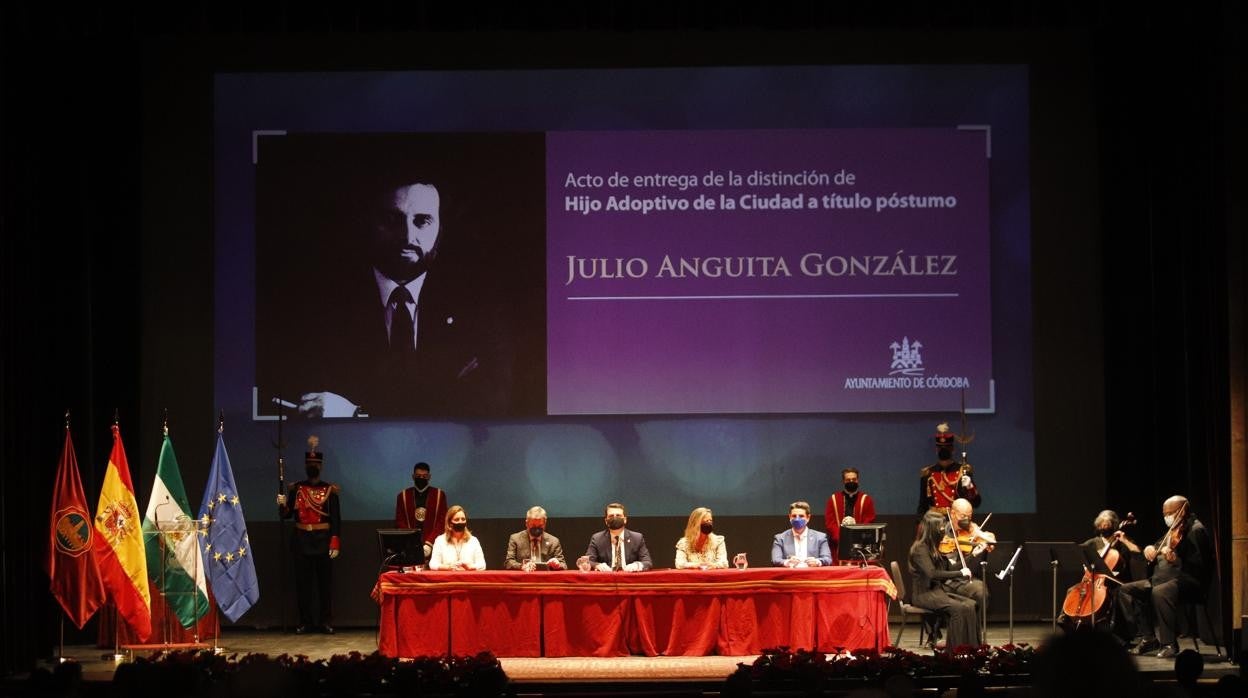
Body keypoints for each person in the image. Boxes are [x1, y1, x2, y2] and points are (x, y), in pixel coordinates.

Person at [269, 174, 519, 419]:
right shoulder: (320, 306)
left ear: (440, 229)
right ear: (369, 223)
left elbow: (492, 404)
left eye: (422, 221)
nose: (407, 237)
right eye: (392, 219)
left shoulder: (478, 306)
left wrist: (356, 413)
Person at [1116, 495, 1213, 658]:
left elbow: (1200, 564)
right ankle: (1148, 638)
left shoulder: (1196, 529)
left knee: (1160, 592)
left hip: (1189, 581)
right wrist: (1149, 548)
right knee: (1126, 590)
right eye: (1164, 514)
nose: (1166, 517)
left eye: (1170, 512)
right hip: (1162, 580)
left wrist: (1178, 557)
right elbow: (1156, 546)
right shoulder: (1173, 530)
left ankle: (1168, 644)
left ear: (1182, 511)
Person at [276, 437, 341, 634]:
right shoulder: (296, 489)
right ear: (306, 466)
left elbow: (336, 519)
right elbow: (287, 515)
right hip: (301, 541)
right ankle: (304, 621)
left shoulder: (330, 490)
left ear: (320, 466)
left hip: (323, 541)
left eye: (316, 463)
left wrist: (335, 542)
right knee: (303, 586)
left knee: (325, 586)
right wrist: (282, 503)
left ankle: (325, 621)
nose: (313, 466)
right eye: (310, 463)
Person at [1060, 510, 1141, 635]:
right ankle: (1066, 618)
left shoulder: (1121, 541)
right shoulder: (1092, 543)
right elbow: (1079, 555)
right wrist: (1084, 564)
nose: (1103, 527)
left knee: (1114, 595)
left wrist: (1125, 540)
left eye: (1107, 524)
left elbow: (1137, 552)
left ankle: (1112, 631)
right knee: (1072, 590)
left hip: (1114, 582)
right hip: (1092, 580)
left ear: (1113, 525)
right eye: (1101, 525)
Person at [909, 511, 982, 648]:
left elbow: (950, 568)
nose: (944, 530)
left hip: (937, 592)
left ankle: (973, 647)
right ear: (932, 528)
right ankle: (954, 651)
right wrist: (960, 573)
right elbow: (932, 574)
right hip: (923, 595)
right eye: (941, 527)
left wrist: (973, 555)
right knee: (958, 609)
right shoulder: (920, 549)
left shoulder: (933, 548)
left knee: (971, 604)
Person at [917, 423, 981, 515]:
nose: (943, 450)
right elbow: (923, 504)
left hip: (957, 521)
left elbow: (976, 503)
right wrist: (920, 524)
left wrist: (970, 487)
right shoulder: (928, 473)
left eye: (946, 448)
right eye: (940, 448)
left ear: (952, 449)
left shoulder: (963, 472)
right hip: (935, 522)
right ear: (936, 450)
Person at [394, 461, 448, 563]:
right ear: (413, 476)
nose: (421, 478)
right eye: (418, 476)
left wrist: (429, 543)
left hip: (434, 546)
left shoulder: (439, 495)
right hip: (409, 546)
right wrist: (411, 540)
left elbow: (442, 521)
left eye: (424, 476)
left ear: (429, 477)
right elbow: (400, 521)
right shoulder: (403, 496)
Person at [825, 467, 877, 564]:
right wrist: (842, 539)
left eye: (854, 479)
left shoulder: (866, 500)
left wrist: (856, 538)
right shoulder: (833, 499)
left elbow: (868, 521)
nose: (851, 482)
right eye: (848, 480)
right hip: (838, 546)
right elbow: (830, 523)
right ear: (843, 481)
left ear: (858, 480)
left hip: (860, 547)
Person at [584, 502, 652, 572]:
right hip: (607, 579)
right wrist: (597, 565)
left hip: (629, 578)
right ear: (606, 521)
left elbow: (647, 562)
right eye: (611, 516)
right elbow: (587, 561)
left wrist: (637, 565)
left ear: (625, 520)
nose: (615, 518)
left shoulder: (637, 538)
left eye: (618, 515)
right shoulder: (597, 538)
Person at [771, 501, 832, 567]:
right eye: (794, 516)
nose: (797, 519)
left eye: (801, 516)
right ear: (790, 517)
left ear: (808, 518)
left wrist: (817, 562)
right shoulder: (780, 538)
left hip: (812, 575)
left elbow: (827, 559)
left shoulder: (820, 537)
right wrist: (787, 562)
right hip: (790, 575)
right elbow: (775, 560)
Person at [504, 506, 566, 571]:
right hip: (524, 578)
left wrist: (557, 564)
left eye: (540, 526)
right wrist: (522, 566)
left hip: (546, 578)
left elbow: (563, 565)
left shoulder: (554, 541)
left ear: (545, 523)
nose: (536, 529)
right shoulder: (515, 539)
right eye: (533, 526)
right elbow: (508, 562)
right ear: (527, 523)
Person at [427, 505, 486, 571]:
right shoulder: (440, 540)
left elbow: (482, 565)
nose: (460, 522)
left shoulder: (473, 541)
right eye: (457, 519)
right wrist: (449, 567)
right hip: (448, 579)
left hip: (468, 579)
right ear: (450, 523)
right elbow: (433, 564)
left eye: (463, 519)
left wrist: (470, 567)